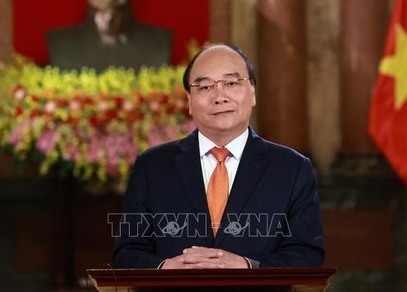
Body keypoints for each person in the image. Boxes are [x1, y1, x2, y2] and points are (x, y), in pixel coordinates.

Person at [110, 43, 325, 269]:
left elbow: (307, 255)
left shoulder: (292, 169)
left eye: (231, 83)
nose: (219, 97)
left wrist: (248, 266)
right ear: (189, 100)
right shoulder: (152, 166)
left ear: (252, 92)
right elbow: (126, 253)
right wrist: (167, 267)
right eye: (204, 87)